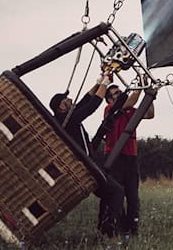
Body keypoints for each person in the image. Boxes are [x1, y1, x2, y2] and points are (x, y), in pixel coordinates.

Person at [49, 72, 123, 237]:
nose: (70, 100)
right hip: (84, 166)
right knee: (116, 191)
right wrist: (104, 84)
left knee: (109, 193)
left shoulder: (66, 116)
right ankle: (110, 229)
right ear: (61, 107)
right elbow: (91, 106)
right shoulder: (65, 120)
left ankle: (104, 228)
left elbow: (85, 99)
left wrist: (99, 81)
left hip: (87, 163)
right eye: (66, 100)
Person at [98, 83, 154, 236]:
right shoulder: (110, 109)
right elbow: (132, 99)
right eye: (116, 93)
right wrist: (142, 86)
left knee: (133, 196)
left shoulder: (130, 110)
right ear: (109, 100)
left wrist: (149, 95)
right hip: (114, 157)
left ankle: (132, 229)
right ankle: (115, 227)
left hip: (131, 157)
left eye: (119, 92)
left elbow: (149, 113)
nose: (120, 94)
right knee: (116, 194)